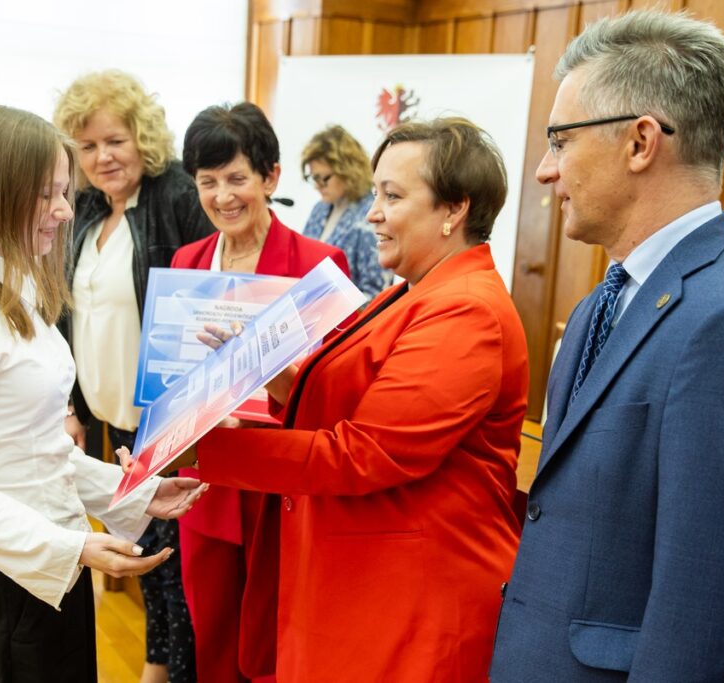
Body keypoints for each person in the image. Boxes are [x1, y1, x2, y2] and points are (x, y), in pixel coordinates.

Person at [490, 11, 724, 682]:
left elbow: (709, 597)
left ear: (640, 142)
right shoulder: (594, 309)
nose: (546, 172)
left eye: (559, 141)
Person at [149, 116, 528, 681]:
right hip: (364, 575)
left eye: (392, 196)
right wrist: (268, 374)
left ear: (455, 210)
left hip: (411, 592)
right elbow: (353, 394)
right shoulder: (417, 291)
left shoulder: (465, 309)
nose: (371, 213)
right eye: (376, 193)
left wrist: (198, 453)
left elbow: (365, 453)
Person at [0, 105, 206, 681]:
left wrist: (131, 493)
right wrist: (72, 548)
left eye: (65, 192)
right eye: (48, 196)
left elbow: (37, 449)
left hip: (55, 563)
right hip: (1, 580)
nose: (66, 210)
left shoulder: (17, 296)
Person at [172, 101, 350, 683]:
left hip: (283, 486)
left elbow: (334, 396)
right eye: (208, 181)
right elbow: (171, 377)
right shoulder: (187, 263)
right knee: (215, 638)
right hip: (211, 483)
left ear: (271, 178)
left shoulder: (319, 266)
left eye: (237, 178)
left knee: (278, 642)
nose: (223, 195)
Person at [53, 70, 214, 683]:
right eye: (88, 146)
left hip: (168, 416)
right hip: (109, 411)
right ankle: (157, 662)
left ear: (141, 136)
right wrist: (73, 405)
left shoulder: (175, 197)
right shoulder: (88, 208)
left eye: (114, 140)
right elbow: (74, 315)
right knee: (145, 552)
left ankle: (174, 671)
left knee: (175, 564)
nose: (102, 157)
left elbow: (204, 296)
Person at [300, 125, 389, 299]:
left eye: (324, 178)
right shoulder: (320, 209)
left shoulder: (371, 213)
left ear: (348, 171)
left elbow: (375, 294)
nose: (317, 185)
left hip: (351, 322)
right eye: (313, 178)